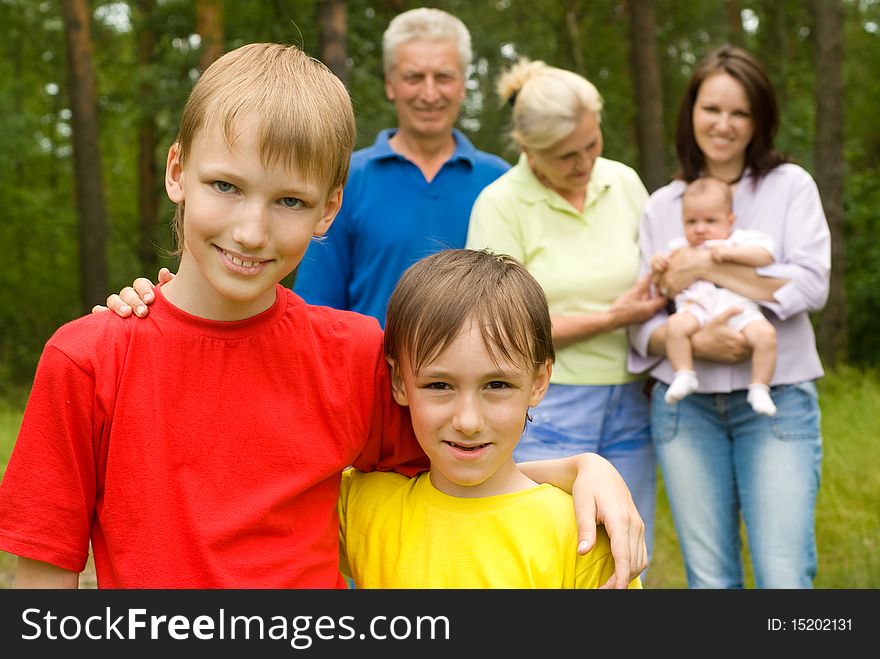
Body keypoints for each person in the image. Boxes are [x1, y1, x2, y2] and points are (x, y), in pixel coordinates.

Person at [0, 43, 645, 588]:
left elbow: (462, 464)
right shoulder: (87, 359)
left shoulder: (357, 355)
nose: (251, 231)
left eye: (288, 200)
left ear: (328, 210)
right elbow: (42, 583)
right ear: (177, 171)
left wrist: (584, 469)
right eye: (226, 186)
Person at [629, 44, 830, 588]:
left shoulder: (791, 187)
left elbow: (811, 284)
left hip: (778, 402)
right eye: (711, 109)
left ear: (760, 119)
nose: (724, 125)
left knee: (784, 577)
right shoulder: (662, 205)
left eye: (740, 112)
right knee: (711, 581)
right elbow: (642, 320)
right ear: (690, 112)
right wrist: (683, 338)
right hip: (685, 412)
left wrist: (701, 266)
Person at [338, 248, 642, 589]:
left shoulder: (583, 535)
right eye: (439, 385)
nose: (468, 421)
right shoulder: (358, 504)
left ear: (539, 382)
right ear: (399, 382)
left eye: (497, 385)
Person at [465, 58, 667, 569]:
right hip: (548, 406)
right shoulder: (500, 203)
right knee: (553, 550)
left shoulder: (622, 183)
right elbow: (502, 328)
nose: (583, 163)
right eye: (564, 155)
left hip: (631, 397)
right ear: (528, 148)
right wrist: (613, 318)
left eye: (591, 145)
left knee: (626, 551)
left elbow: (656, 277)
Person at [291, 7, 510, 326]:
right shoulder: (345, 179)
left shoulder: (500, 181)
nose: (430, 93)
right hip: (369, 373)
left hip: (474, 375)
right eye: (414, 77)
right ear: (391, 84)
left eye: (444, 77)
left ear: (463, 85)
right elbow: (317, 307)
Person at [652, 175, 778, 416]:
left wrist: (731, 254)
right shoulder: (679, 247)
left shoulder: (738, 241)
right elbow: (662, 281)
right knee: (675, 327)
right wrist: (657, 264)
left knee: (766, 335)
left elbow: (767, 255)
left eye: (710, 220)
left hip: (740, 308)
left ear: (730, 221)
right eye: (691, 221)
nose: (700, 228)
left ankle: (760, 387)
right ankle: (684, 374)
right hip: (695, 308)